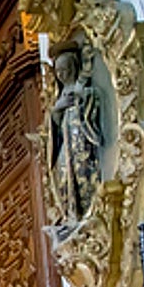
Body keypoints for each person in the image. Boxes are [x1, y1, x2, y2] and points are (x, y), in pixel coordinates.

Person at [48, 46, 103, 224]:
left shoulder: (80, 85)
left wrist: (80, 98)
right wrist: (58, 108)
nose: (62, 74)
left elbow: (88, 99)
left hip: (80, 137)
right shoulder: (60, 94)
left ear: (73, 67)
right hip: (67, 138)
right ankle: (71, 210)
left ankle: (86, 207)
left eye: (65, 69)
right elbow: (54, 124)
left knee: (82, 169)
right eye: (58, 71)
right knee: (63, 172)